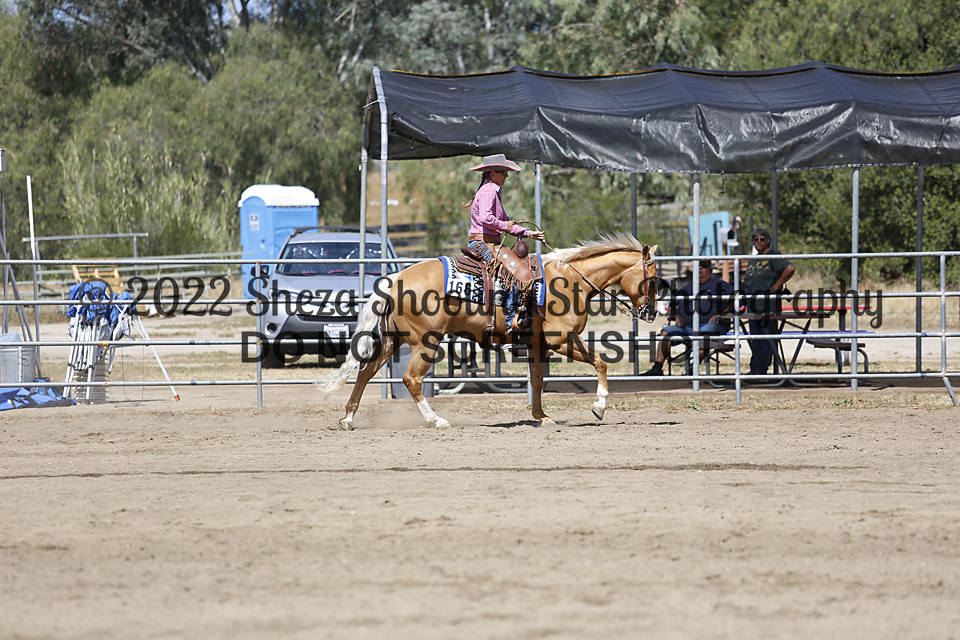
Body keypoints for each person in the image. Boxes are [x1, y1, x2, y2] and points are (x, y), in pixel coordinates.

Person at [463, 153, 545, 335]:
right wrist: (505, 226)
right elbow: (486, 218)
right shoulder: (489, 190)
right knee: (518, 273)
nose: (506, 176)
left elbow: (506, 221)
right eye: (503, 172)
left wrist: (527, 233)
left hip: (489, 242)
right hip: (484, 243)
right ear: (492, 174)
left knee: (516, 270)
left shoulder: (491, 190)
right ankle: (512, 320)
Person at [642, 260, 734, 376]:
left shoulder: (722, 286)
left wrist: (721, 315)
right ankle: (657, 368)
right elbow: (671, 308)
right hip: (686, 327)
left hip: (711, 325)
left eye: (704, 266)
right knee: (666, 332)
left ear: (710, 270)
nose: (700, 268)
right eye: (698, 265)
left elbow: (734, 304)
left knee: (705, 333)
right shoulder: (685, 288)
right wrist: (677, 316)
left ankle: (693, 368)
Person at [739, 227, 796, 376]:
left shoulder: (773, 256)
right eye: (756, 239)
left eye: (762, 239)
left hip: (768, 305)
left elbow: (790, 268)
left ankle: (761, 369)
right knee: (755, 339)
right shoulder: (753, 260)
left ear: (768, 241)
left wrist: (777, 285)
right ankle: (755, 369)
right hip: (752, 306)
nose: (759, 241)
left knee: (766, 339)